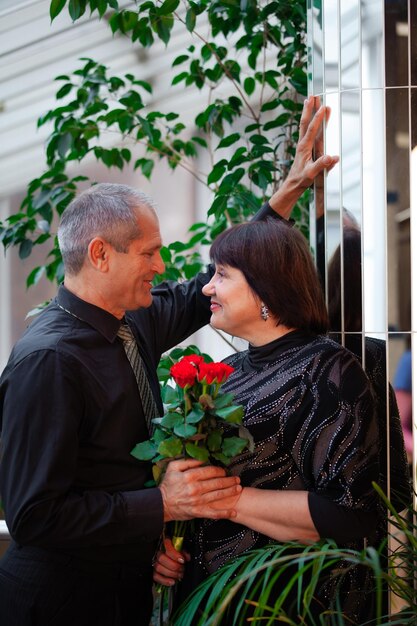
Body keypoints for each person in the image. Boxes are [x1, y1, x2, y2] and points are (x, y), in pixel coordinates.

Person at [0, 98, 338, 626]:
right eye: (149, 252)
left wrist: (287, 193)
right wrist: (161, 504)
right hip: (59, 604)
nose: (161, 265)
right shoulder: (48, 361)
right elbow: (31, 516)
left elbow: (225, 278)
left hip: (124, 591)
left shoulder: (132, 320)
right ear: (100, 255)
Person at [153, 218, 384, 624]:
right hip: (210, 601)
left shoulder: (326, 370)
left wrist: (227, 502)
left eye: (222, 275)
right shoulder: (227, 371)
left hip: (283, 604)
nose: (208, 287)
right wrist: (171, 547)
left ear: (265, 287)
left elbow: (350, 513)